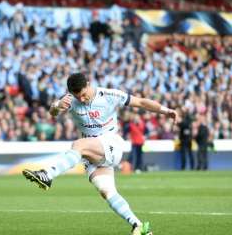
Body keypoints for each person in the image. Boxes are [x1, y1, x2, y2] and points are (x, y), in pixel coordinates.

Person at [22, 73, 178, 235]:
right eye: (77, 96)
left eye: (83, 94)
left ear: (89, 84)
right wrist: (56, 106)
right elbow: (53, 112)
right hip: (92, 153)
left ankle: (47, 175)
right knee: (107, 191)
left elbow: (141, 102)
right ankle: (139, 226)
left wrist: (166, 111)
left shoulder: (109, 95)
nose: (81, 99)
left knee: (78, 145)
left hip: (111, 144)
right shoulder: (69, 100)